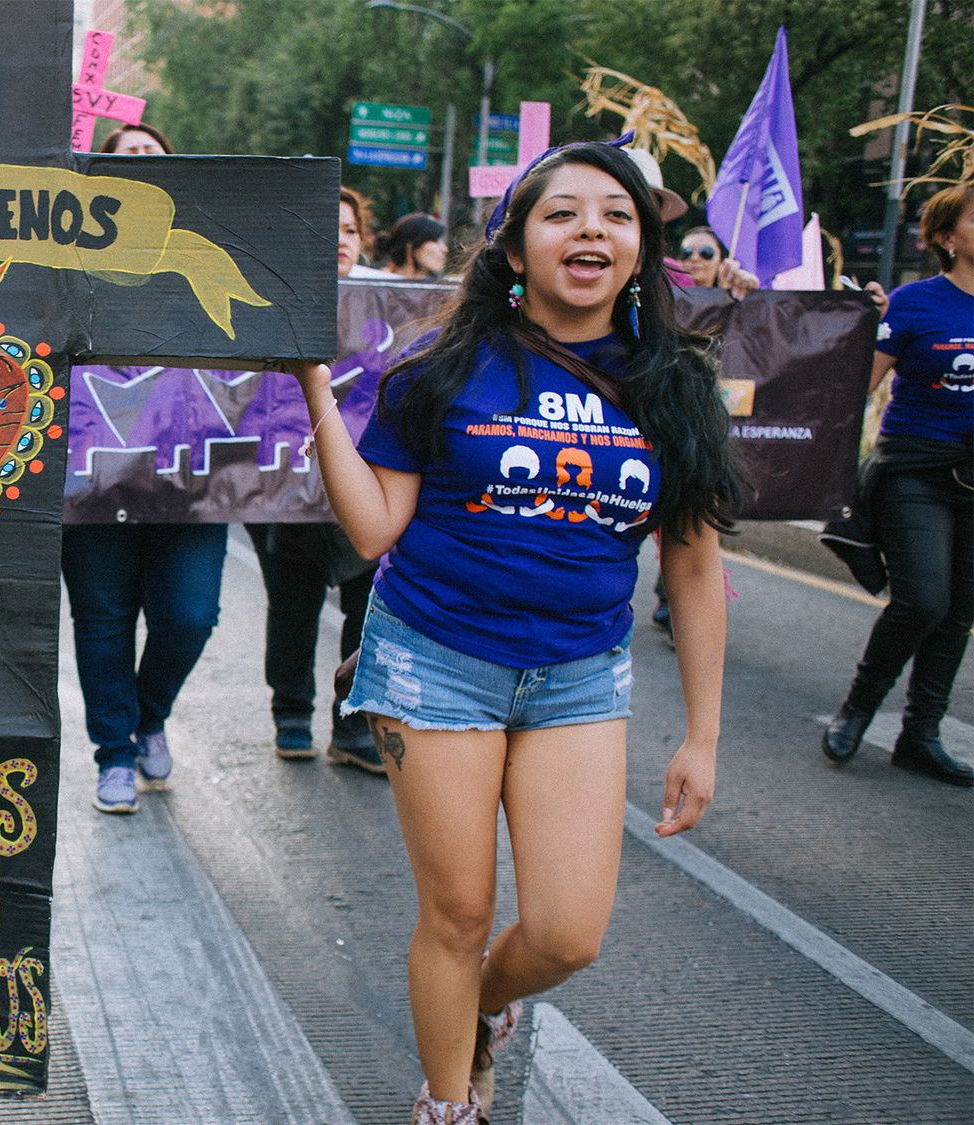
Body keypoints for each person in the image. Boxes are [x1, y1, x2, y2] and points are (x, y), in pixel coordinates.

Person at [291, 139, 735, 1123]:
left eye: (616, 216)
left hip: (576, 679)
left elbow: (693, 566)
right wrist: (314, 390)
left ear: (640, 250)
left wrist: (701, 737)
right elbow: (372, 529)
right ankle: (449, 1099)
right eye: (562, 212)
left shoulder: (674, 386)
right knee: (457, 915)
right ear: (512, 247)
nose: (591, 230)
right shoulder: (440, 372)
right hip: (431, 666)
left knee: (566, 936)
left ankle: (481, 1008)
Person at [66, 123, 230, 814]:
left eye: (152, 152)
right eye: (123, 152)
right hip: (91, 474)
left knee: (190, 614)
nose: (138, 159)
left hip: (188, 477)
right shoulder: (63, 258)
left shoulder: (206, 254)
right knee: (102, 615)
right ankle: (115, 752)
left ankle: (147, 713)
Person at [821, 182, 974, 787]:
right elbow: (858, 387)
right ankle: (858, 707)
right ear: (944, 238)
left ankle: (920, 735)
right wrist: (861, 326)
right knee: (923, 600)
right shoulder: (915, 303)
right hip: (916, 470)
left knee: (961, 611)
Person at [244, 184, 388, 771]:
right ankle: (293, 713)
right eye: (324, 231)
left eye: (349, 230)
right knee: (293, 600)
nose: (338, 241)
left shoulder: (391, 304)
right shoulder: (268, 300)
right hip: (286, 483)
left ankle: (353, 725)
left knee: (370, 602)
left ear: (363, 240)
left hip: (373, 482)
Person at [382, 212, 450, 280]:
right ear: (411, 246)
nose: (445, 249)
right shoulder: (378, 282)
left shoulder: (437, 288)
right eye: (435, 241)